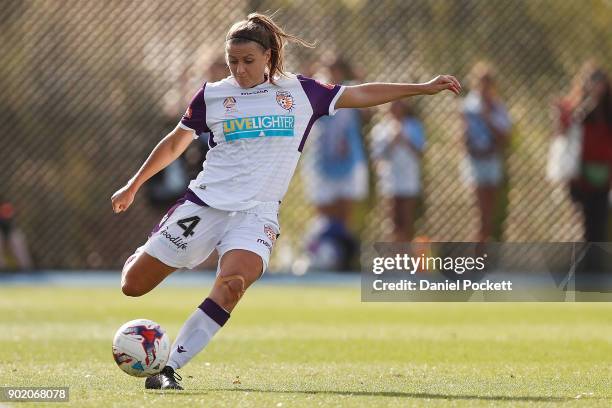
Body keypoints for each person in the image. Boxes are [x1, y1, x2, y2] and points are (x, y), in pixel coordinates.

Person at [111, 12, 461, 390]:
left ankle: (169, 367)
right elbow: (175, 143)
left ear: (269, 57)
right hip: (204, 205)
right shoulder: (212, 96)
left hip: (257, 213)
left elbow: (359, 94)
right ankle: (148, 248)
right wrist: (133, 185)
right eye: (233, 62)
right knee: (133, 285)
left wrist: (422, 88)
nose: (240, 70)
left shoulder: (300, 93)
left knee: (233, 284)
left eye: (248, 61)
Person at [301, 57, 368, 271]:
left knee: (345, 216)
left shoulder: (350, 91)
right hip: (321, 163)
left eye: (336, 69)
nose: (332, 73)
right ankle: (324, 257)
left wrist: (361, 80)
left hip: (348, 164)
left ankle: (344, 259)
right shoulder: (317, 91)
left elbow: (367, 112)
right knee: (324, 217)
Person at [554, 62, 612, 244]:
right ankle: (580, 266)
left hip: (604, 173)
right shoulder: (575, 107)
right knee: (581, 219)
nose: (596, 86)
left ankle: (594, 267)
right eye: (591, 81)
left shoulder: (608, 109)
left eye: (599, 82)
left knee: (599, 222)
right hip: (579, 173)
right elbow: (563, 131)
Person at [460, 62, 512, 242]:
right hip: (475, 160)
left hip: (492, 159)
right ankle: (477, 255)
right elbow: (462, 135)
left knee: (490, 211)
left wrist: (488, 117)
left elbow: (505, 135)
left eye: (488, 82)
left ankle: (485, 252)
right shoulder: (469, 105)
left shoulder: (497, 106)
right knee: (479, 211)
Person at [371, 100, 426, 241]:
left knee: (407, 218)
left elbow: (420, 152)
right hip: (390, 180)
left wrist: (406, 140)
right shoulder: (380, 129)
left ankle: (407, 254)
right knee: (393, 220)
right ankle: (394, 255)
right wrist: (392, 142)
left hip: (409, 178)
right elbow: (378, 157)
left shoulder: (413, 126)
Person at [0, 200, 34, 271]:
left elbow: (8, 219)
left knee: (17, 239)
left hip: (10, 230)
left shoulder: (5, 204)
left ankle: (27, 270)